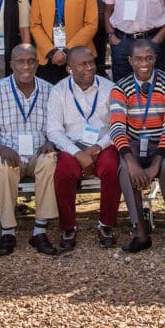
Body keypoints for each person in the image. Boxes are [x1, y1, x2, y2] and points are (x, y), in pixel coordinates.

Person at [0, 44, 60, 256]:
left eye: (31, 61)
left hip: (39, 152)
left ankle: (39, 231)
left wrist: (52, 141)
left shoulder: (51, 91)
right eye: (20, 61)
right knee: (4, 167)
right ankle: (8, 232)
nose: (26, 66)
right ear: (11, 64)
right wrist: (2, 149)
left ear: (38, 64)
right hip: (8, 153)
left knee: (50, 160)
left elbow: (58, 129)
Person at [109, 39, 165, 252]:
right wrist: (131, 161)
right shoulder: (120, 87)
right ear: (130, 60)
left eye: (149, 58)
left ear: (156, 59)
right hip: (133, 145)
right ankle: (140, 231)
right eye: (139, 59)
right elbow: (117, 128)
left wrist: (155, 164)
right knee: (124, 169)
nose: (145, 63)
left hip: (160, 145)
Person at [46, 47, 121, 251]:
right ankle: (68, 226)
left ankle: (106, 224)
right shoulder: (58, 91)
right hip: (72, 147)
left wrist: (98, 146)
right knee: (63, 172)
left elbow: (118, 125)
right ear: (69, 69)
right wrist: (76, 152)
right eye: (83, 64)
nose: (89, 67)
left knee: (112, 168)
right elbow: (53, 131)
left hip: (102, 145)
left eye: (91, 62)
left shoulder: (110, 88)